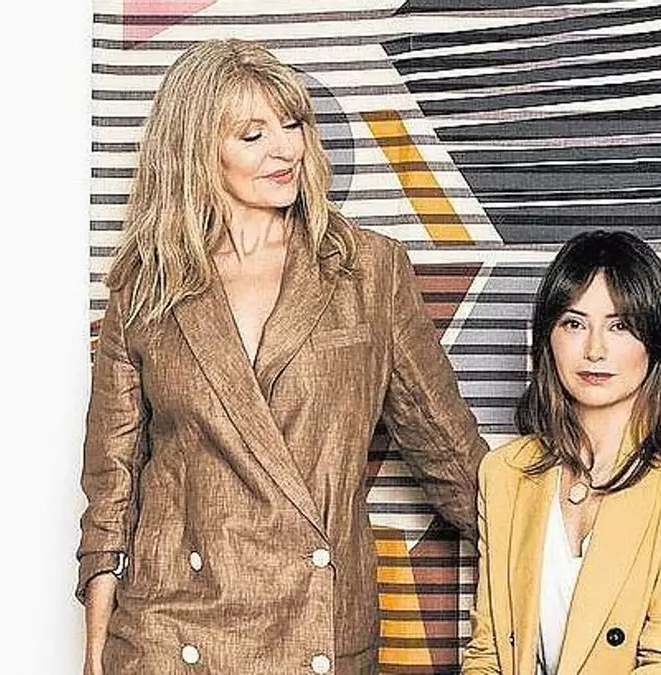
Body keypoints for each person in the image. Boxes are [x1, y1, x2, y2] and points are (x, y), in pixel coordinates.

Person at [77, 39, 487, 675]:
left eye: (292, 125)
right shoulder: (147, 284)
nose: (286, 149)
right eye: (253, 134)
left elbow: (448, 450)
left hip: (315, 621)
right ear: (195, 150)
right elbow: (112, 482)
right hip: (168, 630)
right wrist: (96, 649)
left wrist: (559, 549)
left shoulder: (367, 270)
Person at [462, 231, 661, 674]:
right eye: (574, 324)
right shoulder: (506, 472)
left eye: (620, 326)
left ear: (654, 338)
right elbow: (488, 654)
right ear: (548, 338)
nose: (595, 350)